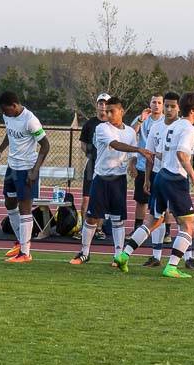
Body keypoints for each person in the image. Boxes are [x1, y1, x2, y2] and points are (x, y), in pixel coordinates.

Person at [115, 92, 194, 278]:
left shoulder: (172, 125)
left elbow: (158, 153)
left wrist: (150, 177)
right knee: (187, 225)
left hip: (162, 176)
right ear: (193, 110)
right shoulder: (188, 128)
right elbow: (182, 154)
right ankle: (172, 266)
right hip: (175, 179)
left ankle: (124, 255)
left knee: (153, 220)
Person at [69, 97, 153, 265]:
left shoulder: (129, 131)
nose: (107, 114)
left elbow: (131, 155)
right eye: (106, 111)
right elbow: (115, 145)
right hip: (101, 178)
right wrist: (138, 149)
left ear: (121, 111)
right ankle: (84, 252)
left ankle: (118, 256)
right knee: (92, 218)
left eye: (111, 111)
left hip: (118, 180)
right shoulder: (102, 128)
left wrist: (133, 164)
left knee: (117, 219)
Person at [0, 91, 50, 263]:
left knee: (25, 208)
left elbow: (46, 145)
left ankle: (25, 252)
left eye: (5, 110)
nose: (4, 113)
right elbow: (9, 133)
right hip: (12, 167)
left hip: (26, 169)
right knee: (9, 203)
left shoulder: (30, 120)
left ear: (15, 106)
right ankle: (19, 241)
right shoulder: (7, 116)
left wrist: (35, 170)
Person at [129, 94, 163, 231]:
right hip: (143, 165)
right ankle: (137, 228)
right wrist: (140, 120)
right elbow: (131, 133)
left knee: (162, 201)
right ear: (150, 103)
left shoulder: (166, 121)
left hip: (160, 167)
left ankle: (165, 231)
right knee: (141, 201)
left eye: (159, 102)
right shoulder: (143, 118)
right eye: (154, 102)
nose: (156, 105)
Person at [77, 94, 109, 239]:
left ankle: (99, 229)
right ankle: (84, 228)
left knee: (102, 199)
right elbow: (83, 143)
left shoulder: (111, 123)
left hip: (106, 167)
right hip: (92, 165)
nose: (103, 106)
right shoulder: (90, 123)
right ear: (97, 105)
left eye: (105, 103)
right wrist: (90, 153)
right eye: (100, 103)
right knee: (86, 198)